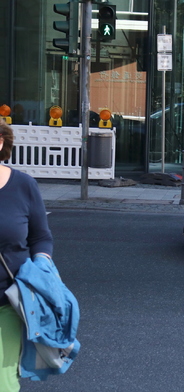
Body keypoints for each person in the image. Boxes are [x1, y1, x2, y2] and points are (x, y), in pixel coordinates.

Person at [0, 119, 54, 391]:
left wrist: (42, 265)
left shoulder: (23, 185)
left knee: (3, 381)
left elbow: (40, 237)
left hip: (7, 300)